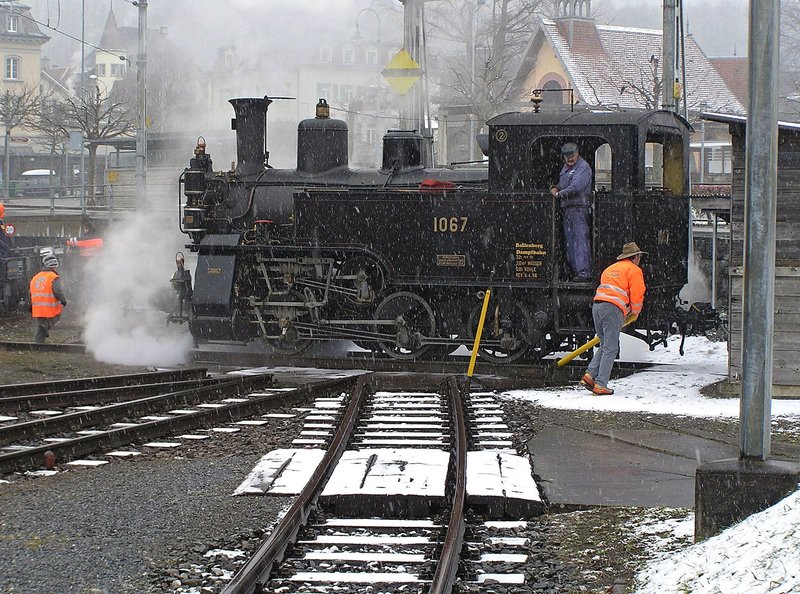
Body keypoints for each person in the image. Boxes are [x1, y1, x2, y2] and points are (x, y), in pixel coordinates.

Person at [580, 241, 647, 395]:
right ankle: (601, 384)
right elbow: (637, 293)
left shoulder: (610, 269)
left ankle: (590, 376)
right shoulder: (634, 270)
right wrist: (635, 312)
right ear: (635, 257)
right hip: (613, 309)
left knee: (604, 345)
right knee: (611, 348)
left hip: (597, 306)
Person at [550, 142, 593, 282]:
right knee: (570, 242)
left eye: (572, 156)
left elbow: (575, 187)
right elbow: (563, 183)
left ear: (577, 153)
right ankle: (576, 271)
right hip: (568, 208)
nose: (570, 159)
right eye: (567, 157)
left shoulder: (583, 168)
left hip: (578, 208)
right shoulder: (566, 168)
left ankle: (584, 272)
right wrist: (555, 187)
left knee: (579, 240)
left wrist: (558, 194)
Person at [30, 253, 67, 344]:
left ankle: (38, 344)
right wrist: (63, 300)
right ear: (55, 266)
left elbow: (30, 291)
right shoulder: (53, 277)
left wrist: (30, 304)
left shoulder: (36, 277)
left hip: (37, 306)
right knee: (55, 317)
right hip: (49, 306)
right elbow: (57, 291)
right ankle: (45, 326)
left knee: (40, 326)